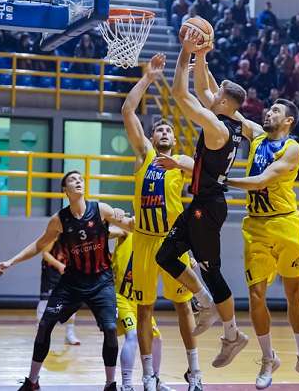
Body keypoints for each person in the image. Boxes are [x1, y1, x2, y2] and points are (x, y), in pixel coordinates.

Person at [155, 29, 250, 379]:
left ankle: (232, 334)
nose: (210, 94)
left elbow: (181, 93)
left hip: (208, 208)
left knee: (212, 270)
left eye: (217, 94)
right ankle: (205, 303)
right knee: (165, 256)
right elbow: (200, 89)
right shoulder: (228, 119)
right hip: (201, 201)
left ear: (223, 103)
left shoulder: (216, 126)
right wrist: (202, 55)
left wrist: (184, 52)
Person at [0, 171, 134, 391]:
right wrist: (11, 261)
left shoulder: (101, 209)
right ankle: (32, 381)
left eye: (80, 179)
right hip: (72, 282)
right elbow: (40, 245)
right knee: (44, 325)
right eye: (72, 180)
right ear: (65, 190)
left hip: (102, 281)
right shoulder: (59, 220)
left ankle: (110, 384)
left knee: (109, 328)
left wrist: (128, 216)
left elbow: (131, 226)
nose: (78, 182)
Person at [226, 99, 299, 389]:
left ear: (289, 121)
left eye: (276, 111)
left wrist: (221, 181)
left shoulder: (292, 148)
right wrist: (199, 60)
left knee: (294, 293)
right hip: (255, 226)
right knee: (256, 295)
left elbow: (262, 181)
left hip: (284, 224)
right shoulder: (256, 135)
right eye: (268, 109)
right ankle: (268, 358)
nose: (269, 112)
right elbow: (222, 105)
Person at [120, 53, 198, 391]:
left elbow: (199, 169)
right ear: (153, 138)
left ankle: (194, 371)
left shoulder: (181, 162)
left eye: (168, 129)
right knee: (145, 308)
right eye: (159, 129)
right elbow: (127, 111)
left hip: (172, 240)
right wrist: (148, 78)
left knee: (183, 307)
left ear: (174, 139)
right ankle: (149, 375)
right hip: (144, 241)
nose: (163, 131)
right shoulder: (144, 156)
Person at [110, 227, 173, 391]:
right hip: (121, 297)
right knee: (133, 335)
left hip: (140, 300)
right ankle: (127, 384)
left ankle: (154, 380)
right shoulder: (128, 230)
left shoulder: (155, 240)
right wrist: (109, 224)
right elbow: (109, 231)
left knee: (157, 338)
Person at [37, 241, 81, 346]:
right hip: (52, 271)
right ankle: (40, 332)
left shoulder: (77, 232)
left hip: (69, 270)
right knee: (45, 302)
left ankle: (70, 334)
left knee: (72, 301)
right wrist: (59, 265)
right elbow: (45, 253)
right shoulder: (55, 230)